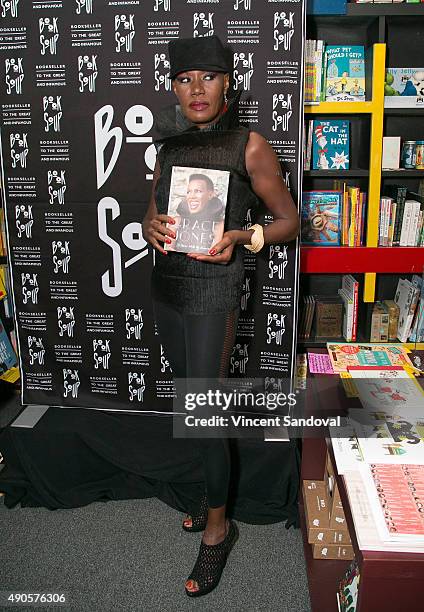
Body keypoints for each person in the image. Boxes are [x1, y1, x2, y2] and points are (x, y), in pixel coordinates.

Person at [142, 34, 300, 598]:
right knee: (189, 401)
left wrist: (246, 235)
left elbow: (289, 220)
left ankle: (217, 529)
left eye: (207, 77)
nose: (196, 89)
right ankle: (214, 503)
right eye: (185, 79)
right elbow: (154, 207)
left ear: (228, 82)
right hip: (167, 286)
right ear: (174, 87)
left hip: (214, 289)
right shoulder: (169, 144)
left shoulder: (250, 146)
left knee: (203, 409)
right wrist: (149, 226)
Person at [166, 172, 225, 253]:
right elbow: (168, 248)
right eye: (188, 192)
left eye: (198, 191)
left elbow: (214, 254)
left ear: (210, 195)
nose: (191, 196)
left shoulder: (219, 224)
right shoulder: (177, 221)